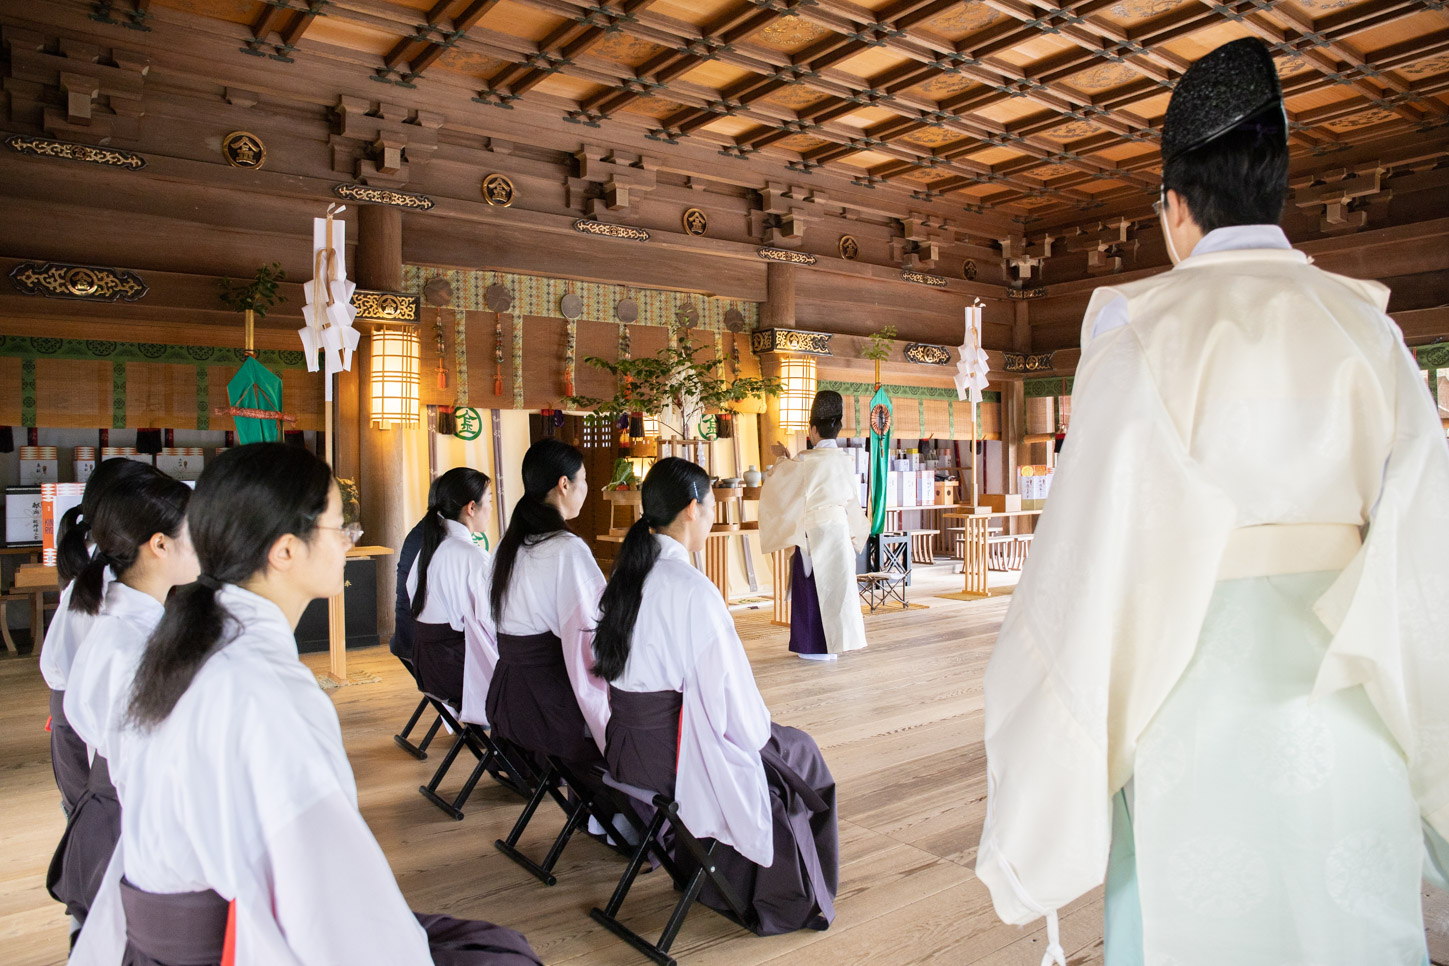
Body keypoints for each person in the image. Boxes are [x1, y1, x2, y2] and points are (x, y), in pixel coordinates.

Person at [975, 37, 1449, 966]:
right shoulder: (1369, 332)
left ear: (1174, 208)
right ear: (1273, 194)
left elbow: (1084, 564)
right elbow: (1424, 555)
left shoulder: (1141, 332)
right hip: (1345, 699)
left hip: (1189, 700)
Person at [71, 443, 541, 966]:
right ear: (285, 550)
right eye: (340, 527)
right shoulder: (264, 689)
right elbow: (329, 905)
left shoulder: (190, 646)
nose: (348, 541)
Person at [593, 457, 839, 934]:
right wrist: (761, 734)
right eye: (710, 505)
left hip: (624, 749)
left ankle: (702, 874)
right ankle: (795, 895)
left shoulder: (623, 580)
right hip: (672, 758)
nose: (712, 515)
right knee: (801, 754)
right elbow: (739, 716)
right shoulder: (693, 591)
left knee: (784, 750)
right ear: (692, 508)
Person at [50, 466, 196, 928]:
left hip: (111, 798)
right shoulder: (128, 640)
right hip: (126, 818)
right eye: (194, 534)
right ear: (158, 545)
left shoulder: (120, 615)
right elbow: (146, 771)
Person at [486, 439, 622, 836]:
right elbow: (591, 638)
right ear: (564, 484)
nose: (585, 489)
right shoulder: (566, 550)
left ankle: (597, 812)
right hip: (553, 709)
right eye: (583, 481)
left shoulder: (507, 546)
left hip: (510, 701)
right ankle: (617, 818)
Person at [42, 458, 157, 817]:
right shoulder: (109, 574)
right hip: (86, 719)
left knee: (87, 819)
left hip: (77, 711)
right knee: (96, 824)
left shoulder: (101, 563)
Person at [758, 390, 869, 660]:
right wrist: (857, 533)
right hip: (839, 530)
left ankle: (812, 647)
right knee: (837, 590)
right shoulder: (844, 460)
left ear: (813, 430)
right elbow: (852, 500)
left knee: (812, 588)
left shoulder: (806, 460)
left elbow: (779, 484)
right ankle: (834, 646)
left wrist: (782, 459)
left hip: (814, 534)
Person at [406, 466, 495, 724]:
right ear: (471, 507)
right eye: (488, 501)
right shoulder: (470, 555)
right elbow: (491, 621)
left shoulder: (431, 549)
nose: (491, 509)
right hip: (457, 670)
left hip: (428, 666)